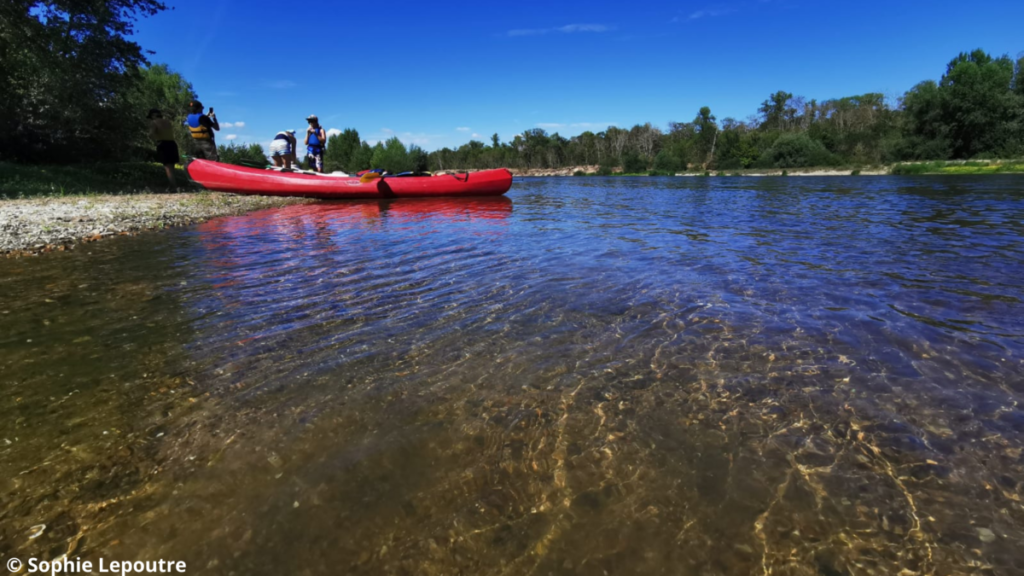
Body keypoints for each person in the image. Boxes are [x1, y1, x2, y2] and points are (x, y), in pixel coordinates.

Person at [147, 108, 179, 190]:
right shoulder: (168, 122)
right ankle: (174, 184)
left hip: (163, 144)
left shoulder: (154, 122)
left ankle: (173, 186)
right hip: (172, 143)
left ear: (153, 115)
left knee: (167, 166)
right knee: (172, 166)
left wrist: (154, 140)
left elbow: (151, 134)